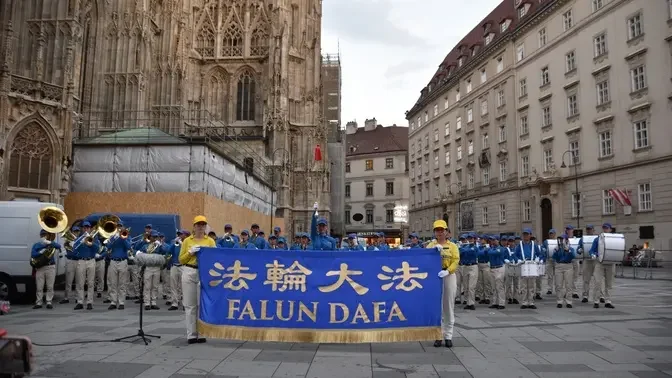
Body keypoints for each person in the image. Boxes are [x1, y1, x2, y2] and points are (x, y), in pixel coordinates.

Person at [179, 215, 216, 344]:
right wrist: (190, 252)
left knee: (202, 304)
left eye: (203, 225)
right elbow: (181, 260)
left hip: (204, 272)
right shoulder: (187, 241)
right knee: (190, 305)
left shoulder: (210, 241)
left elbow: (214, 259)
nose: (201, 227)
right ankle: (191, 334)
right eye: (198, 225)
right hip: (189, 270)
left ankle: (201, 333)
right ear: (194, 226)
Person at [426, 220, 459, 349]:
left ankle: (448, 335)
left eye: (442, 230)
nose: (439, 232)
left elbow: (456, 260)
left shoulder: (453, 246)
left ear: (446, 231)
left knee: (448, 306)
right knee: (436, 306)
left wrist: (448, 271)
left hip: (448, 276)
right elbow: (425, 260)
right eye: (437, 230)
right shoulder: (430, 245)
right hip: (434, 277)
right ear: (434, 232)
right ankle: (438, 335)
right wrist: (433, 252)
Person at [32, 230, 61, 309]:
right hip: (40, 267)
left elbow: (59, 246)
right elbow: (33, 254)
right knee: (39, 286)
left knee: (50, 286)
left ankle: (49, 301)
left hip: (50, 267)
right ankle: (39, 302)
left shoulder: (51, 244)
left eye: (45, 235)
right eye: (42, 235)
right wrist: (41, 251)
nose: (43, 236)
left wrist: (50, 242)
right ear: (40, 236)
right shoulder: (37, 245)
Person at [74, 221, 101, 310]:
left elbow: (98, 249)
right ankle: (80, 302)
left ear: (90, 229)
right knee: (80, 283)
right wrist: (81, 240)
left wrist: (91, 242)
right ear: (82, 228)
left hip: (91, 261)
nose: (86, 229)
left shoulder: (94, 237)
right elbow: (73, 248)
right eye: (84, 227)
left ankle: (89, 302)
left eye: (88, 227)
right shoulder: (79, 238)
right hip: (81, 261)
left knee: (90, 283)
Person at [589, 223, 616, 309]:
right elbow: (592, 250)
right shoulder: (598, 239)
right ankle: (596, 301)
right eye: (604, 228)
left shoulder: (614, 239)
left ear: (610, 229)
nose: (605, 230)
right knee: (597, 282)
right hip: (599, 263)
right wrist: (593, 254)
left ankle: (608, 301)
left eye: (607, 228)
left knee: (609, 283)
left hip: (610, 263)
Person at [105, 225, 132, 310]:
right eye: (118, 227)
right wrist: (114, 238)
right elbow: (108, 247)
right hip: (113, 261)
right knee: (113, 283)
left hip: (123, 261)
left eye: (121, 227)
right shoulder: (113, 237)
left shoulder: (126, 236)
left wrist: (123, 238)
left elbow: (128, 247)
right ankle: (113, 302)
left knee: (122, 283)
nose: (120, 228)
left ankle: (121, 302)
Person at [515, 228, 541, 310]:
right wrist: (518, 260)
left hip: (532, 263)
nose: (525, 236)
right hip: (524, 263)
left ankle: (531, 301)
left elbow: (540, 254)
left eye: (527, 234)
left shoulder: (534, 244)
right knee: (523, 285)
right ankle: (524, 302)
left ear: (530, 235)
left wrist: (538, 259)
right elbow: (515, 255)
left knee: (531, 285)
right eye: (524, 234)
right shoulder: (520, 245)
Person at [552, 234, 576, 308]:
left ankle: (569, 301)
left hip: (568, 266)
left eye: (563, 239)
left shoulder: (571, 248)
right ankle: (559, 301)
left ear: (566, 240)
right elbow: (554, 257)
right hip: (559, 266)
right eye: (561, 240)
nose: (562, 241)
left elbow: (573, 256)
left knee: (568, 285)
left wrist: (568, 250)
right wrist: (556, 251)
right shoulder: (558, 248)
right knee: (558, 285)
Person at [59, 226, 81, 304]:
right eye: (75, 231)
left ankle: (77, 298)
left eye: (77, 231)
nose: (76, 233)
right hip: (70, 261)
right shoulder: (68, 241)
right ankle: (66, 298)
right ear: (72, 232)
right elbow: (66, 250)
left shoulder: (81, 240)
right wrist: (70, 243)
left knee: (79, 281)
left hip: (78, 261)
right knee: (69, 281)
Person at [487, 235, 507, 310]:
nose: (492, 241)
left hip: (499, 268)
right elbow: (487, 253)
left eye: (494, 240)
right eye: (491, 240)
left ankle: (501, 303)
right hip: (492, 268)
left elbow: (493, 253)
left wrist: (489, 250)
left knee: (499, 286)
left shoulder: (501, 248)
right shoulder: (491, 248)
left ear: (498, 240)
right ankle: (494, 302)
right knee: (493, 287)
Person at [459, 233, 478, 310]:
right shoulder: (465, 247)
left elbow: (471, 252)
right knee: (466, 286)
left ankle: (471, 303)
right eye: (469, 238)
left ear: (474, 239)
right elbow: (460, 253)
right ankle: (467, 302)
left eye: (472, 238)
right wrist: (461, 248)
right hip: (466, 266)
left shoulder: (475, 247)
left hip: (473, 266)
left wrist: (462, 248)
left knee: (471, 286)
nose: (470, 240)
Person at [579, 225, 596, 303]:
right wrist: (579, 250)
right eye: (587, 229)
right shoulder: (583, 239)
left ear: (593, 230)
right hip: (586, 259)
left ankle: (601, 296)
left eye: (590, 229)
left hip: (596, 260)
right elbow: (578, 249)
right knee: (586, 279)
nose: (588, 230)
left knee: (598, 279)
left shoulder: (597, 238)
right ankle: (585, 295)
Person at [542, 228, 557, 296]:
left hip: (556, 260)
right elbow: (542, 249)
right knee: (550, 275)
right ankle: (550, 289)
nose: (551, 235)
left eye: (552, 233)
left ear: (554, 234)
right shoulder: (546, 241)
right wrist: (544, 251)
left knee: (557, 275)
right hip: (549, 260)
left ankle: (557, 288)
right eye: (550, 234)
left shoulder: (557, 241)